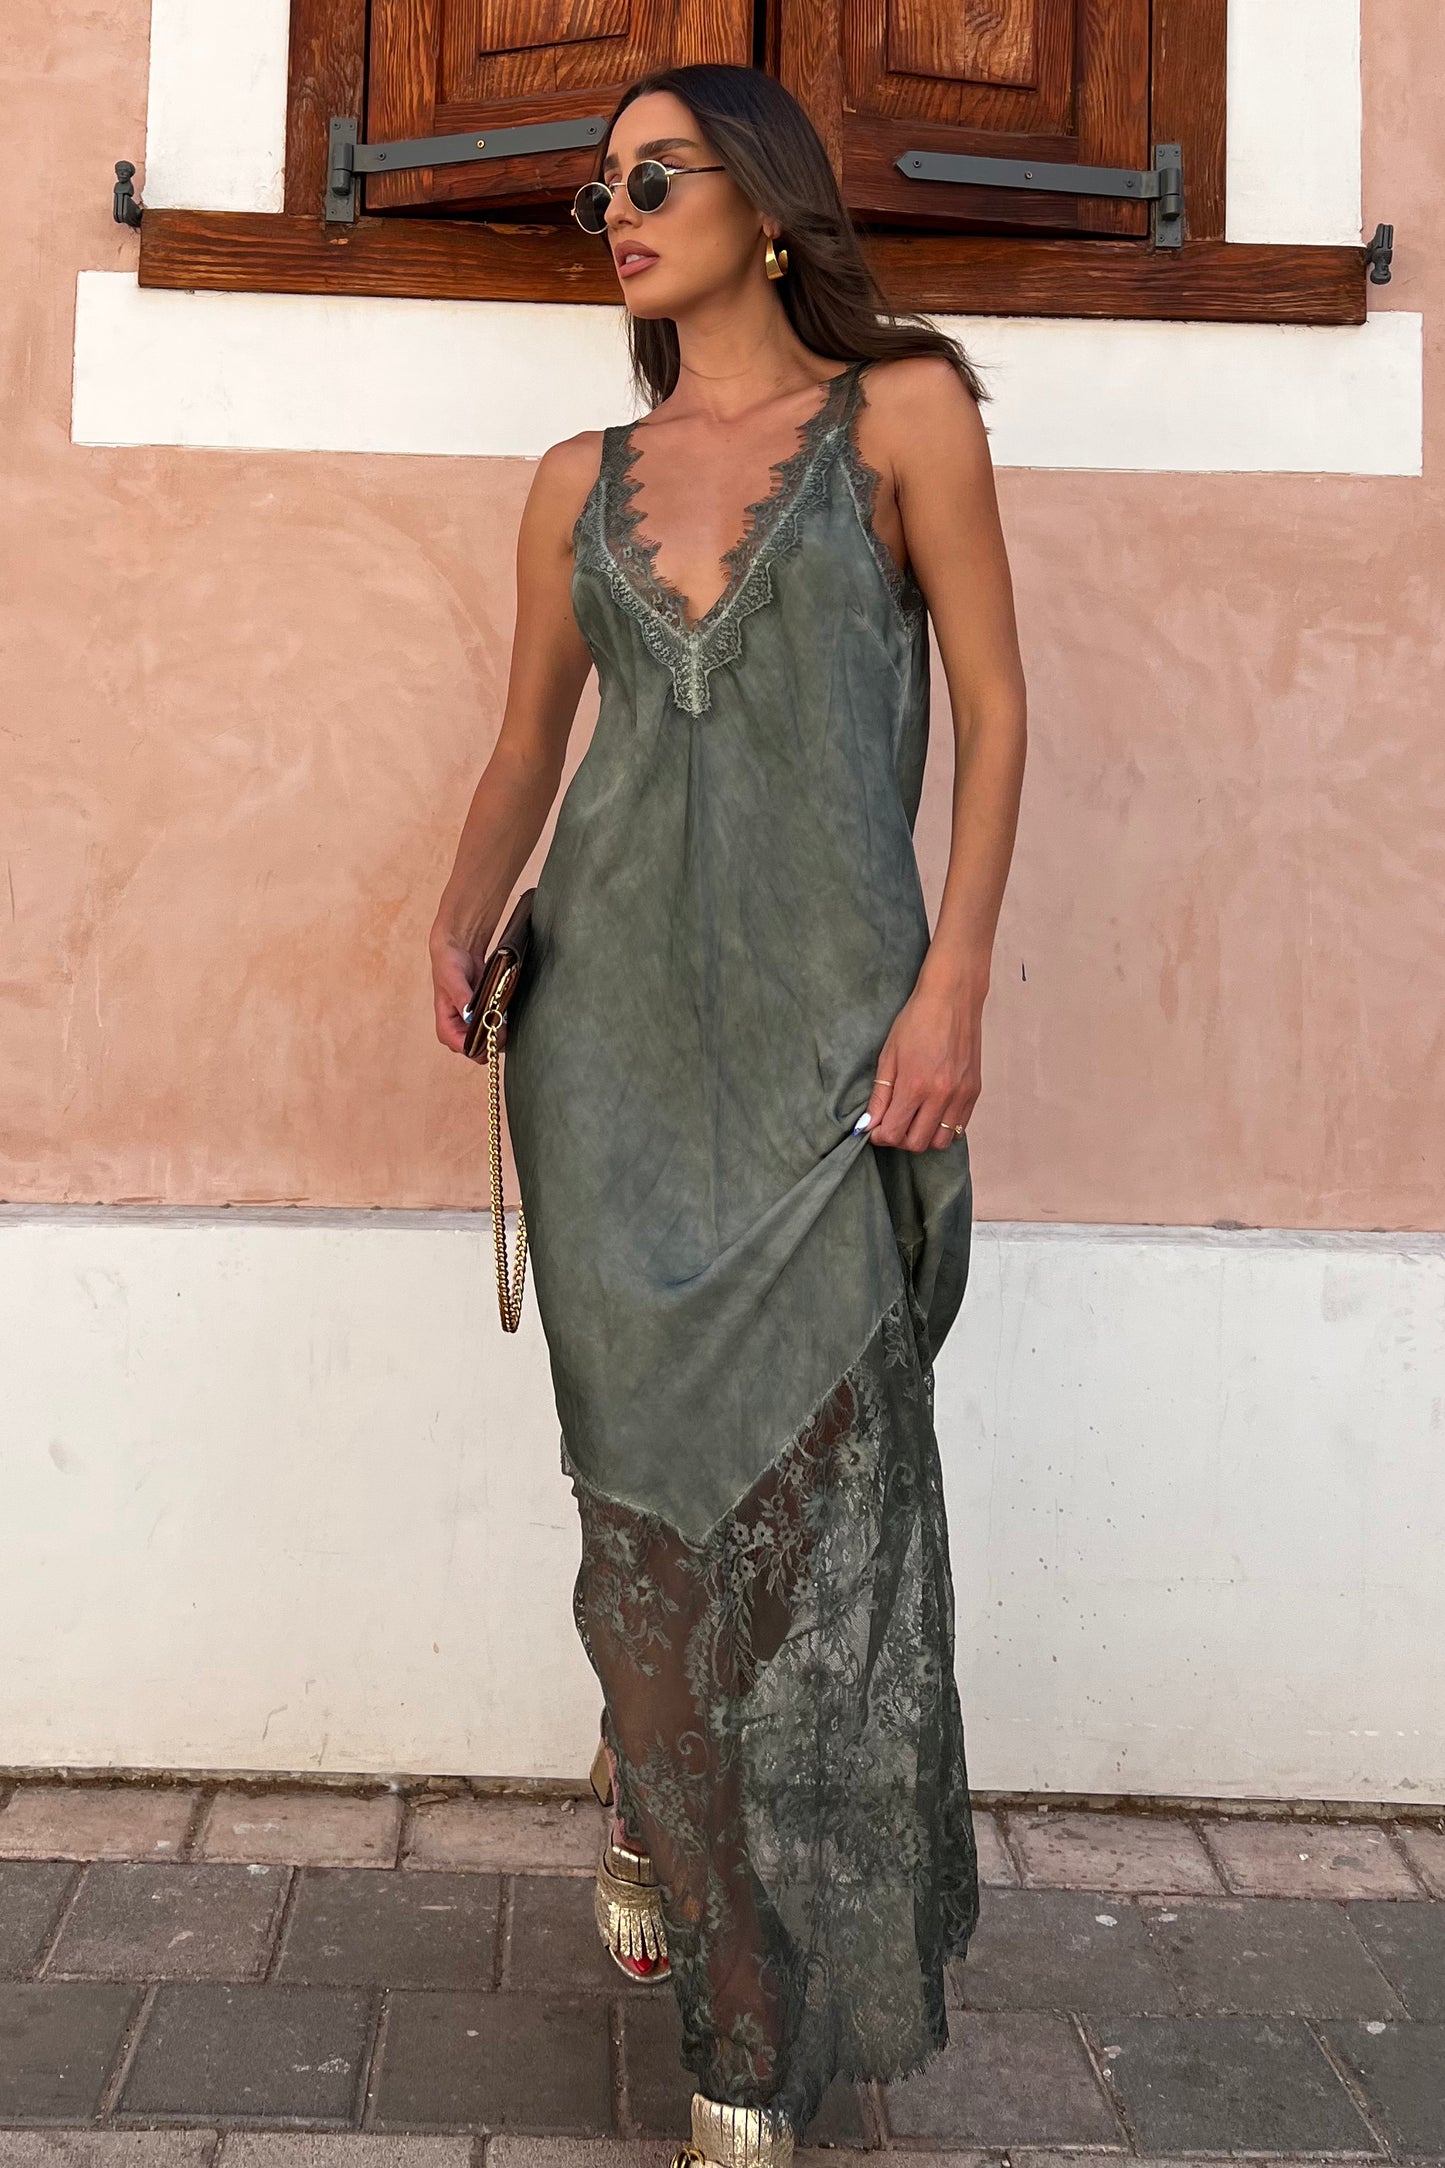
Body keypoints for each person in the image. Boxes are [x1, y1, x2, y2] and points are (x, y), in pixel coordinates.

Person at [429, 59, 1027, 2168]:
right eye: (597, 188)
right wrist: (455, 914)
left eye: (652, 175)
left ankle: (647, 1767)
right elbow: (530, 748)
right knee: (640, 1513)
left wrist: (953, 982)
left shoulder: (907, 417)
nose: (614, 209)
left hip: (829, 1043)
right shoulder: (572, 479)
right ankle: (737, 2019)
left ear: (764, 204)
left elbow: (997, 711)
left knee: (798, 1493)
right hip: (604, 1048)